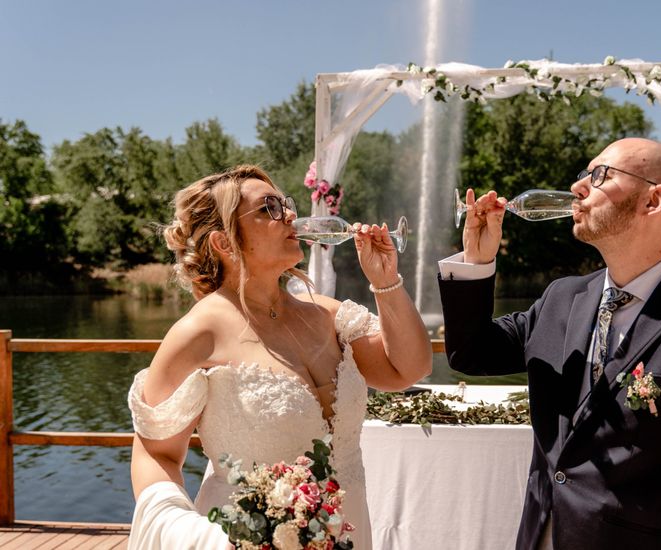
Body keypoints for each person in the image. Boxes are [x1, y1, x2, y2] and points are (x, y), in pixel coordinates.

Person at [438, 138, 661, 550]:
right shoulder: (561, 297)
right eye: (583, 175)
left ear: (655, 201)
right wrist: (477, 261)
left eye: (599, 176)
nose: (578, 188)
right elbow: (472, 353)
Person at [127, 165, 432, 549]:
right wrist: (204, 537)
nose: (290, 214)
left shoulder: (327, 315)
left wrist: (385, 281)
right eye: (268, 208)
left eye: (284, 203)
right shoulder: (198, 334)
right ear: (224, 243)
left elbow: (407, 369)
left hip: (349, 529)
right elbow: (156, 455)